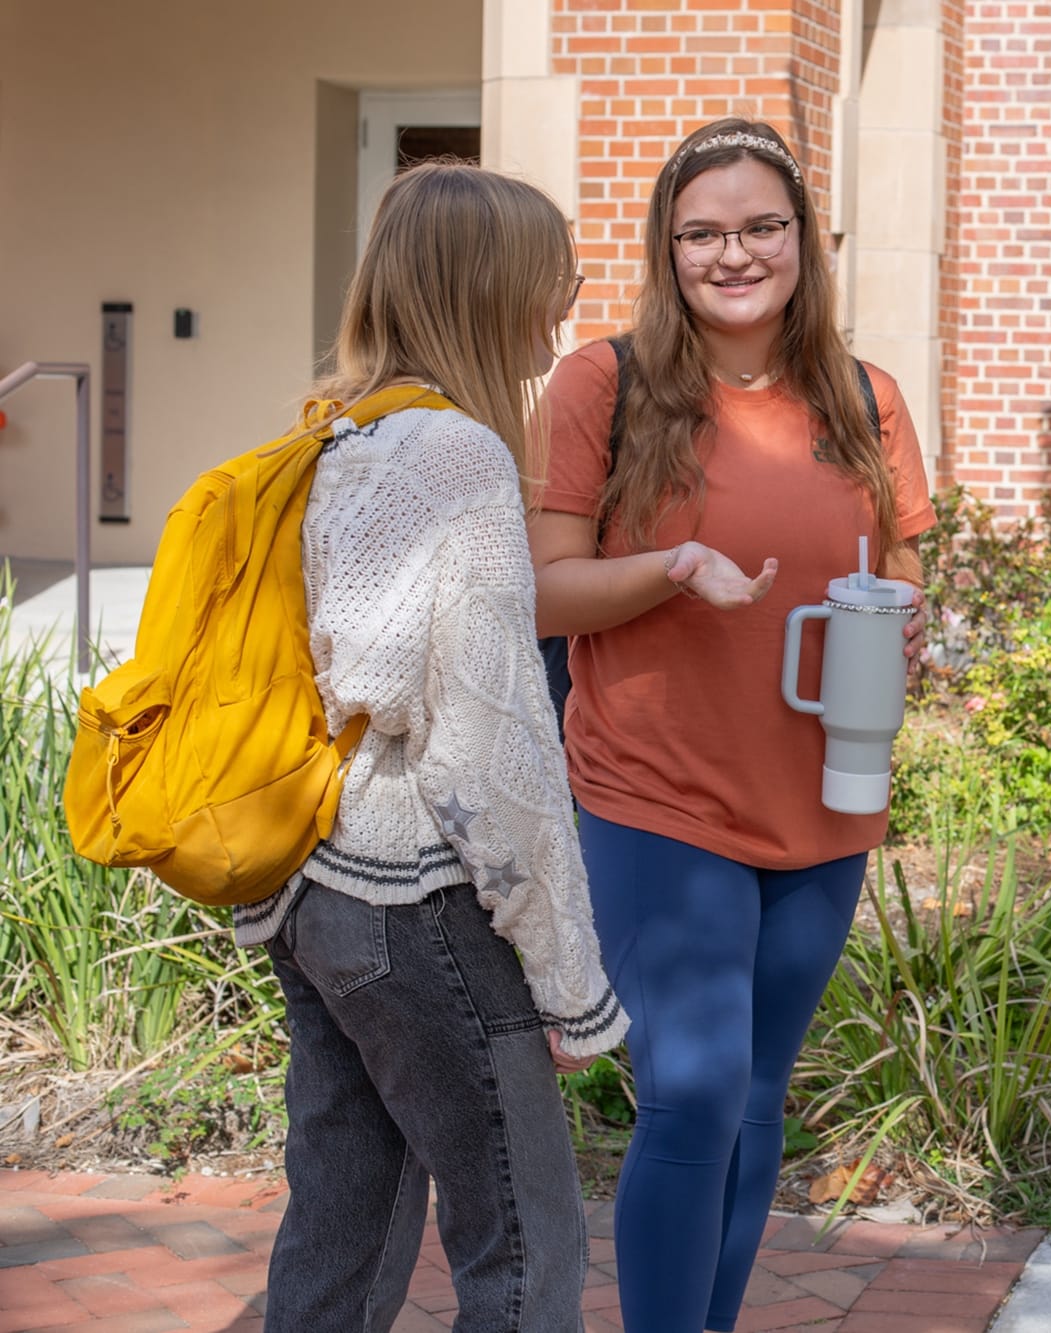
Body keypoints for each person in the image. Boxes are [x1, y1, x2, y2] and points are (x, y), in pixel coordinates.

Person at [528, 118, 936, 1333]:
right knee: (692, 1095)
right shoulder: (603, 383)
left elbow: (900, 567)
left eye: (761, 226)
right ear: (666, 249)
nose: (734, 253)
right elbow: (544, 586)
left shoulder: (866, 398)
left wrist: (909, 626)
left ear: (802, 242)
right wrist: (672, 567)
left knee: (757, 1099)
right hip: (659, 791)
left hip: (827, 794)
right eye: (701, 232)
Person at [233, 162, 630, 1331]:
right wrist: (572, 986)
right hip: (418, 903)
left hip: (317, 892)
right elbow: (490, 751)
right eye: (549, 285)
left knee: (340, 1236)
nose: (561, 316)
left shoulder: (333, 434)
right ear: (491, 289)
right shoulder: (457, 457)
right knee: (523, 1249)